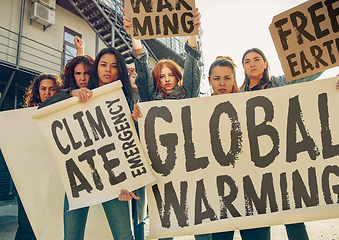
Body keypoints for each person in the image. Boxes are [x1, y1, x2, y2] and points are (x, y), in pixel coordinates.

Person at [125, 7, 211, 240]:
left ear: (177, 76)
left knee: (199, 218)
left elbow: (193, 62)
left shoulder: (188, 94)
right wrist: (135, 34)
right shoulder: (149, 98)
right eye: (161, 76)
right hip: (160, 168)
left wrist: (193, 32)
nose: (165, 80)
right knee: (164, 222)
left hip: (189, 167)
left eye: (169, 75)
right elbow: (141, 66)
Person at [40, 47, 141, 240]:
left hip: (115, 177)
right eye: (103, 64)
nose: (108, 70)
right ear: (96, 69)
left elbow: (130, 144)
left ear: (119, 70)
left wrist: (129, 181)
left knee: (124, 236)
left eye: (113, 66)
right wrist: (72, 94)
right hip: (79, 177)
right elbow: (44, 106)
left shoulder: (127, 99)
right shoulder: (82, 94)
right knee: (72, 236)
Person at [239, 47, 326, 240]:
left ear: (265, 63)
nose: (252, 63)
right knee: (257, 219)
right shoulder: (237, 94)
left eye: (256, 59)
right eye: (247, 61)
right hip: (254, 166)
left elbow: (311, 72)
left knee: (293, 217)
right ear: (243, 68)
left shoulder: (281, 83)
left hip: (283, 160)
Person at [16, 73, 63, 240]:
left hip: (53, 179)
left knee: (49, 223)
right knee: (26, 223)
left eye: (52, 89)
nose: (47, 92)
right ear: (37, 90)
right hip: (30, 180)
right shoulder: (25, 115)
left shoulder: (62, 112)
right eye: (43, 89)